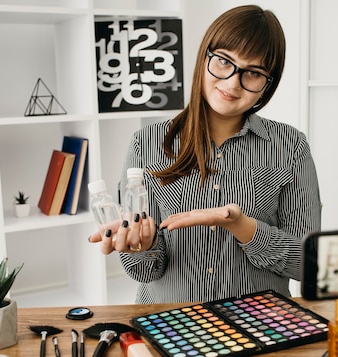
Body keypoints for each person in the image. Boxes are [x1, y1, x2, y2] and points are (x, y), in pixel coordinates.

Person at [89, 5, 322, 303]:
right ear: (204, 57)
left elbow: (309, 264)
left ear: (268, 84)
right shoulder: (145, 143)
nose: (232, 83)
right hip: (172, 323)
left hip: (258, 325)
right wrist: (143, 246)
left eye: (253, 73)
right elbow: (145, 272)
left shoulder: (291, 147)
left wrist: (243, 227)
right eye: (224, 61)